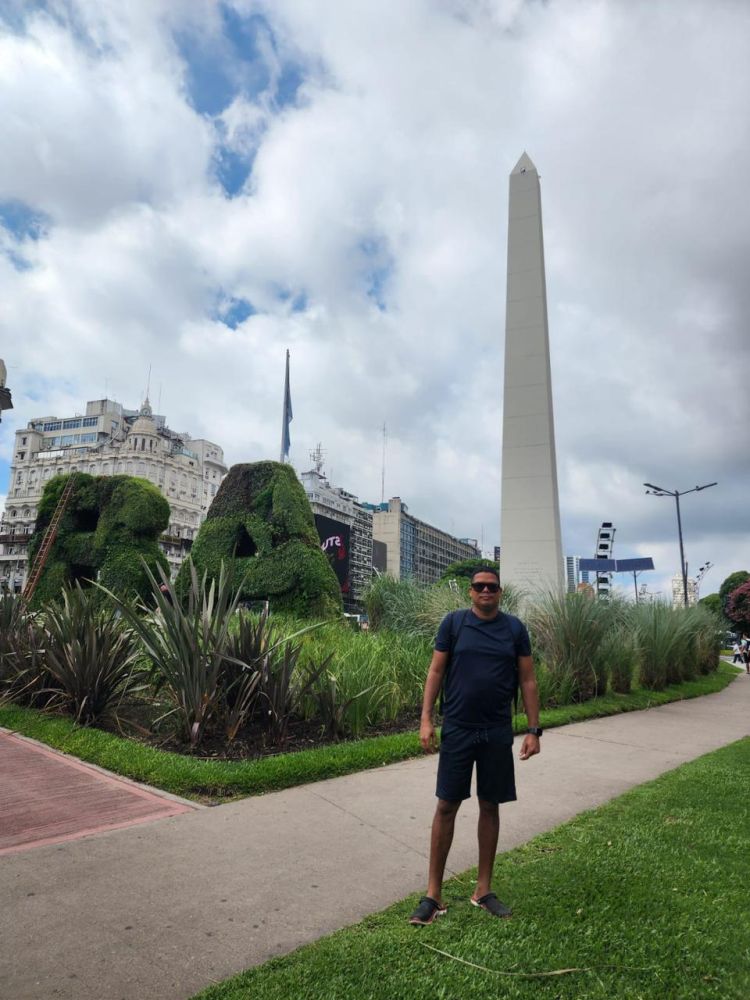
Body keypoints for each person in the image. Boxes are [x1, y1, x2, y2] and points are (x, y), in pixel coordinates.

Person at [409, 568, 541, 925]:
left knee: (490, 805)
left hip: (497, 731)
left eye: (492, 587)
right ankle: (432, 895)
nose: (486, 591)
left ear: (500, 592)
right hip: (459, 730)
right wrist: (426, 719)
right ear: (470, 592)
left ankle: (483, 890)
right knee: (447, 805)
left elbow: (527, 679)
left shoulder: (514, 629)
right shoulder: (454, 624)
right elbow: (435, 672)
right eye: (479, 586)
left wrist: (533, 729)